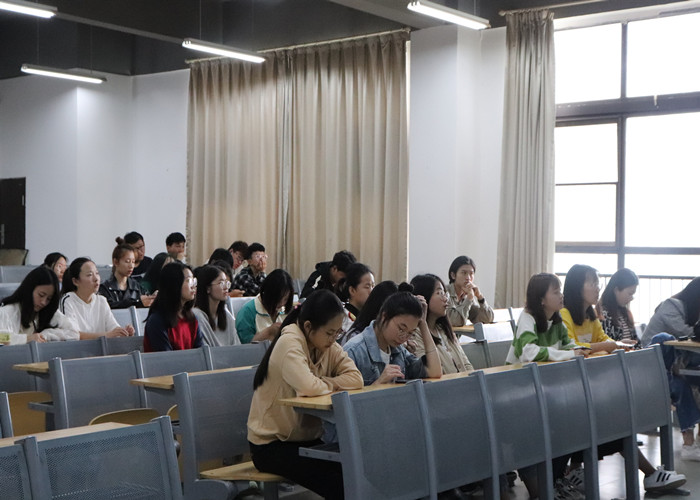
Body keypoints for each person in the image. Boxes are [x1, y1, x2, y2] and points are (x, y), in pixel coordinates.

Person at [247, 289, 363, 499]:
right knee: (338, 482)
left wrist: (326, 382)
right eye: (330, 333)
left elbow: (356, 378)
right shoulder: (289, 343)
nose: (334, 339)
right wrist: (331, 383)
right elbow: (308, 387)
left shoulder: (326, 345)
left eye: (338, 333)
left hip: (305, 439)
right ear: (308, 326)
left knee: (355, 471)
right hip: (270, 445)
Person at [642, 277, 700, 459]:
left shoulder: (687, 312)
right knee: (680, 385)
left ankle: (693, 443)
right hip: (648, 366)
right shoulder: (671, 307)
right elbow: (687, 334)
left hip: (673, 364)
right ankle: (689, 445)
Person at [344, 287, 442, 385]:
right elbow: (343, 394)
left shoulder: (399, 351)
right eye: (401, 329)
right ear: (384, 316)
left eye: (410, 333)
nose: (404, 337)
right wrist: (378, 383)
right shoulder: (354, 351)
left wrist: (423, 324)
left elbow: (435, 371)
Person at [506, 273, 583, 364]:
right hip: (518, 371)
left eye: (560, 291)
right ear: (541, 299)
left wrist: (580, 350)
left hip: (544, 370)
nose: (561, 295)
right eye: (556, 292)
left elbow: (567, 345)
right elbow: (528, 353)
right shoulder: (527, 317)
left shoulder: (556, 317)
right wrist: (569, 354)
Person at [410, 274, 473, 374]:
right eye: (439, 293)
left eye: (445, 293)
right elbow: (428, 370)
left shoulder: (444, 329)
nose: (445, 299)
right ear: (424, 297)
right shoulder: (414, 334)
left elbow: (466, 363)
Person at [59, 257, 135, 339]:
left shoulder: (101, 300)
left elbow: (113, 328)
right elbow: (72, 335)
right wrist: (107, 335)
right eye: (89, 275)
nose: (96, 279)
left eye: (97, 273)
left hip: (102, 347)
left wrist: (123, 332)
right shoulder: (68, 300)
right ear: (75, 281)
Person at [0, 266, 79, 344]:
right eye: (41, 295)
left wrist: (46, 335)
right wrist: (27, 338)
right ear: (29, 289)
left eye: (49, 299)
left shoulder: (48, 311)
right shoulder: (8, 312)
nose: (43, 302)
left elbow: (74, 333)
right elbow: (1, 337)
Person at [560, 264, 626, 354]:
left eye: (598, 284)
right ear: (577, 287)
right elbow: (570, 346)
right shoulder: (563, 314)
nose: (598, 289)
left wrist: (619, 344)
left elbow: (603, 338)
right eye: (593, 284)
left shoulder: (591, 315)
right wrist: (605, 346)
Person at [144, 262, 204, 351]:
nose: (193, 286)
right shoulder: (157, 321)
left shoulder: (191, 318)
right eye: (189, 281)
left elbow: (202, 352)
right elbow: (166, 357)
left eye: (194, 281)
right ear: (175, 284)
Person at [236, 269, 293, 344]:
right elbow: (244, 345)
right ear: (268, 293)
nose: (281, 303)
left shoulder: (286, 311)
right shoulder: (247, 312)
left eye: (285, 299)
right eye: (278, 299)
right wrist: (268, 333)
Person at [337, 281, 398, 346]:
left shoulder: (395, 345)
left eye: (373, 286)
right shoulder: (356, 339)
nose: (370, 290)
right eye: (367, 286)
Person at [192, 265, 240, 346]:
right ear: (208, 288)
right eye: (221, 283)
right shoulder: (197, 316)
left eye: (226, 283)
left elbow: (237, 346)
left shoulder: (227, 316)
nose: (226, 287)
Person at [99, 241, 156, 309]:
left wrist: (153, 298)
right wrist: (136, 302)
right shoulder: (105, 288)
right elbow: (109, 307)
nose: (131, 266)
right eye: (127, 261)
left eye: (133, 262)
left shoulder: (137, 288)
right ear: (116, 262)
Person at [446, 255, 494, 327]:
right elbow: (456, 321)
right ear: (453, 275)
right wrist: (469, 298)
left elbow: (487, 319)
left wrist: (480, 297)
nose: (468, 278)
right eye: (464, 273)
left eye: (471, 274)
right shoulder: (444, 293)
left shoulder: (467, 295)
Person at [596, 268, 640, 344]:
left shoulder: (626, 312)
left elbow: (636, 342)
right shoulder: (603, 314)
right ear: (616, 290)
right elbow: (606, 345)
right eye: (630, 293)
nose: (631, 298)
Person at [337, 263, 374, 332]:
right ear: (352, 290)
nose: (371, 291)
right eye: (367, 286)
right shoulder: (344, 319)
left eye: (373, 286)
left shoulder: (368, 317)